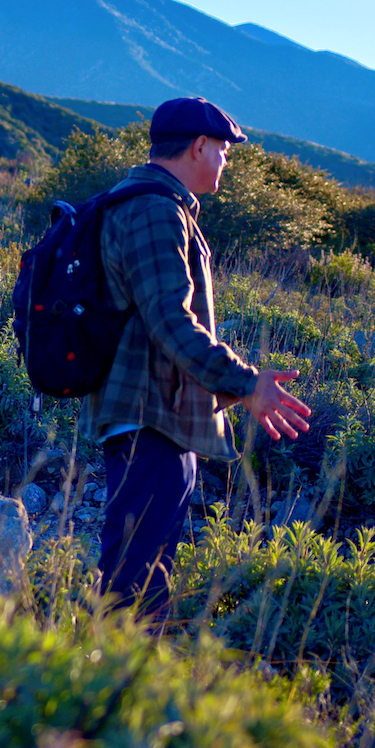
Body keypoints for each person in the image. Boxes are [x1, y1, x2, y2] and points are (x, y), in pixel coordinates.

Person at [89, 97, 312, 620]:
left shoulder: (155, 205)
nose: (226, 163)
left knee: (145, 569)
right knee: (135, 576)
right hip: (150, 417)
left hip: (160, 416)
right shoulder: (154, 211)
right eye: (224, 152)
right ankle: (111, 681)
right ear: (199, 146)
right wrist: (247, 381)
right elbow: (171, 321)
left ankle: (123, 678)